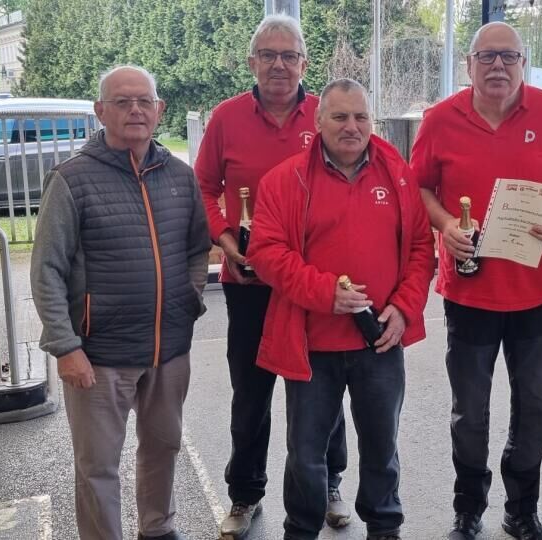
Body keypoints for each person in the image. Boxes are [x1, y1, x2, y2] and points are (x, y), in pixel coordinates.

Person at [409, 21, 542, 540]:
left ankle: (521, 510)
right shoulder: (439, 120)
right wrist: (445, 225)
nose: (498, 66)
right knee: (470, 413)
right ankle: (468, 509)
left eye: (509, 56)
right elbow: (419, 188)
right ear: (469, 65)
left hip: (533, 293)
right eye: (487, 56)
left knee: (536, 410)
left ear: (523, 63)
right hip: (468, 293)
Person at [246, 78, 434, 540]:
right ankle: (301, 529)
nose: (352, 126)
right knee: (306, 452)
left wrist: (405, 308)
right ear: (318, 120)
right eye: (340, 116)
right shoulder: (285, 179)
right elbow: (265, 253)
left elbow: (420, 248)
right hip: (311, 343)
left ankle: (384, 527)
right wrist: (324, 292)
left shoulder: (398, 174)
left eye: (360, 116)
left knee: (382, 446)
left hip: (380, 341)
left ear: (372, 121)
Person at [31, 65, 211, 540]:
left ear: (159, 109)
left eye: (144, 101)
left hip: (168, 350)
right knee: (98, 466)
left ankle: (158, 529)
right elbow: (47, 269)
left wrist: (189, 300)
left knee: (164, 447)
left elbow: (197, 248)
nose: (135, 110)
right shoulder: (71, 180)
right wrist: (66, 347)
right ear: (100, 111)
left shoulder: (180, 176)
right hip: (98, 355)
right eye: (122, 102)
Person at [191, 14, 351, 537]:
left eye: (289, 55)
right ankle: (245, 495)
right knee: (251, 395)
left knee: (324, 392)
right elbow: (203, 187)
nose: (278, 65)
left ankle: (328, 484)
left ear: (305, 62)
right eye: (268, 55)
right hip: (251, 285)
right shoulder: (226, 117)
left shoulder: (326, 113)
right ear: (252, 62)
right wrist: (225, 238)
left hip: (314, 284)